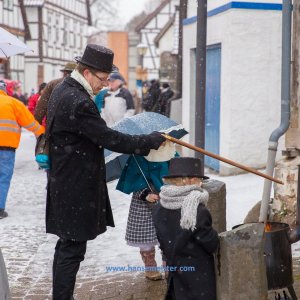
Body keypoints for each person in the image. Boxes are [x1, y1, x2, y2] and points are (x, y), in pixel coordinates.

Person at [46, 44, 166, 300]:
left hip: (65, 179)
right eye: (102, 78)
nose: (104, 84)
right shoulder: (78, 100)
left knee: (67, 245)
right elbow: (110, 138)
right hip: (74, 184)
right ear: (87, 72)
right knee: (72, 249)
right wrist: (149, 141)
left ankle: (61, 295)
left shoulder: (63, 90)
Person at [153, 157, 219, 300]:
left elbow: (162, 239)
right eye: (198, 179)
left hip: (175, 272)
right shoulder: (197, 210)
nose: (201, 183)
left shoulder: (159, 206)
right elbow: (211, 244)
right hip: (197, 275)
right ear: (189, 180)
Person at [0, 80, 45, 219]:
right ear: (5, 90)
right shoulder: (13, 103)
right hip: (7, 147)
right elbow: (30, 122)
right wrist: (43, 133)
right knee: (3, 178)